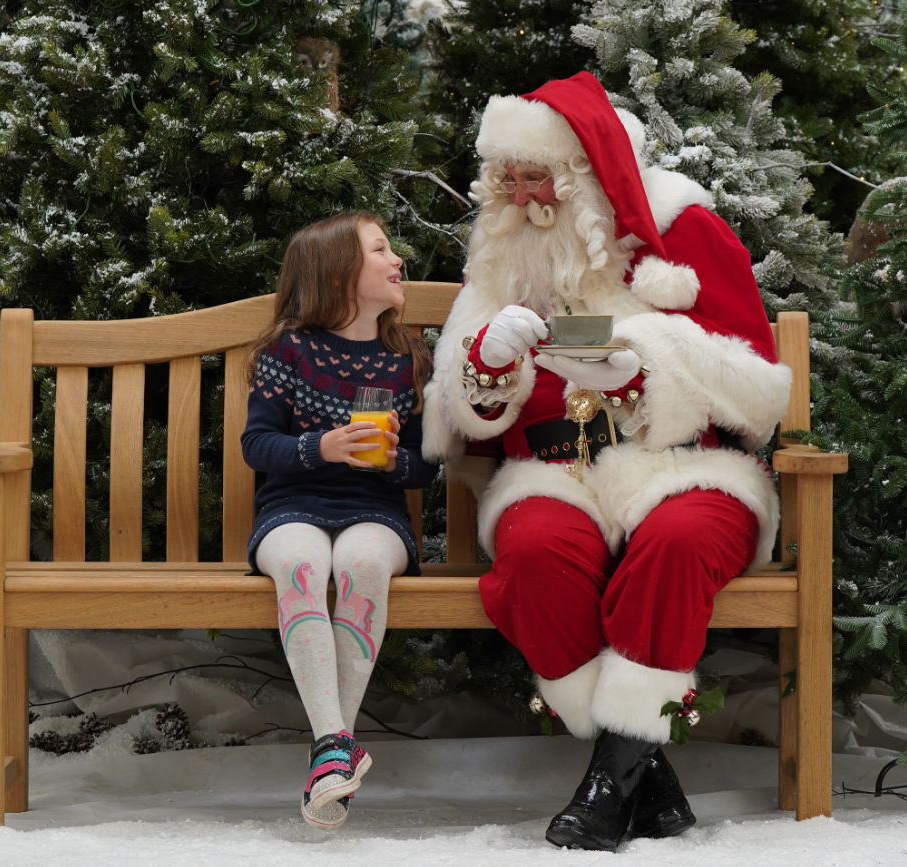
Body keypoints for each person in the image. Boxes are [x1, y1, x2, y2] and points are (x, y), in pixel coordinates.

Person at [422, 72, 792, 851]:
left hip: (683, 464)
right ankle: (638, 768)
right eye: (507, 179)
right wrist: (486, 368)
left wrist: (642, 369)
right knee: (531, 557)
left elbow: (759, 392)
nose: (521, 197)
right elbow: (465, 415)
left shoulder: (683, 230)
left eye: (536, 178)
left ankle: (607, 785)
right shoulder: (500, 259)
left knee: (681, 541)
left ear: (585, 174)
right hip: (555, 473)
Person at [242, 212, 439, 830]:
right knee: (302, 564)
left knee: (358, 564)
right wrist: (319, 448)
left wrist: (390, 461)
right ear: (339, 271)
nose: (397, 259)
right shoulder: (287, 349)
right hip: (292, 505)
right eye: (381, 250)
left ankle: (331, 752)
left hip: (374, 509)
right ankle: (334, 743)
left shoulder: (406, 358)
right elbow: (256, 444)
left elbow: (425, 468)